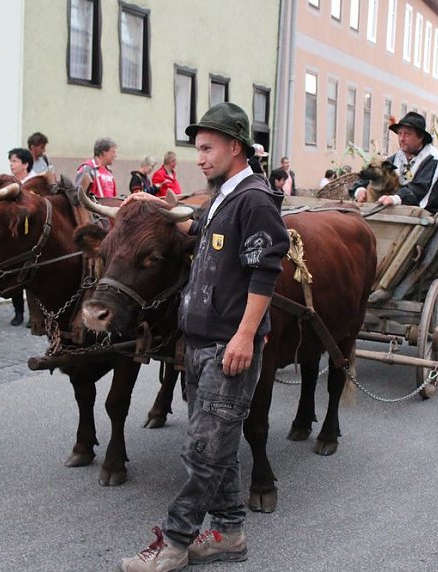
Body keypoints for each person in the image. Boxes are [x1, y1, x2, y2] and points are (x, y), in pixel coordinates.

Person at [119, 102, 290, 571]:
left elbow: (265, 272)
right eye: (198, 149)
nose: (200, 158)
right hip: (200, 344)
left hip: (226, 348)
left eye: (207, 148)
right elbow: (196, 227)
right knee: (219, 448)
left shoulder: (254, 199)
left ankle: (174, 542)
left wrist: (245, 337)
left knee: (201, 451)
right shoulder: (223, 197)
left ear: (235, 147)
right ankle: (229, 534)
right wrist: (154, 204)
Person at [353, 111, 438, 213]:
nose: (401, 139)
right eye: (400, 133)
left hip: (429, 214)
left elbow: (420, 188)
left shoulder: (434, 159)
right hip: (402, 213)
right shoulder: (398, 157)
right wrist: (360, 190)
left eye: (407, 134)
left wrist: (395, 198)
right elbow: (374, 174)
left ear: (420, 137)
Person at [6, 148, 34, 325]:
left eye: (15, 161)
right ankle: (18, 313)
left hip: (32, 236)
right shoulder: (10, 184)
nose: (11, 164)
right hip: (15, 236)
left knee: (33, 277)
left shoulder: (35, 182)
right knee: (15, 275)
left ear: (25, 164)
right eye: (10, 161)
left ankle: (34, 314)